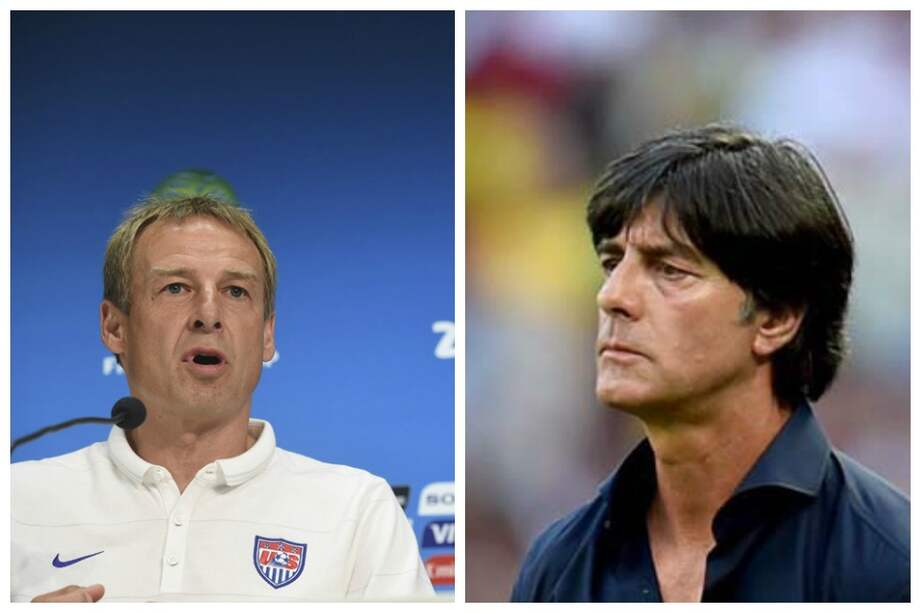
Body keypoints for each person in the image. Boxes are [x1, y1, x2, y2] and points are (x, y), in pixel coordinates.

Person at [510, 124, 909, 602]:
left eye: (670, 270)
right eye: (612, 263)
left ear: (776, 317)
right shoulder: (559, 565)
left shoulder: (890, 565)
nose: (612, 296)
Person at [12, 195, 435, 602]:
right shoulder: (15, 501)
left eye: (236, 291)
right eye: (176, 288)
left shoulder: (358, 511)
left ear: (267, 335)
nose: (208, 314)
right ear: (115, 327)